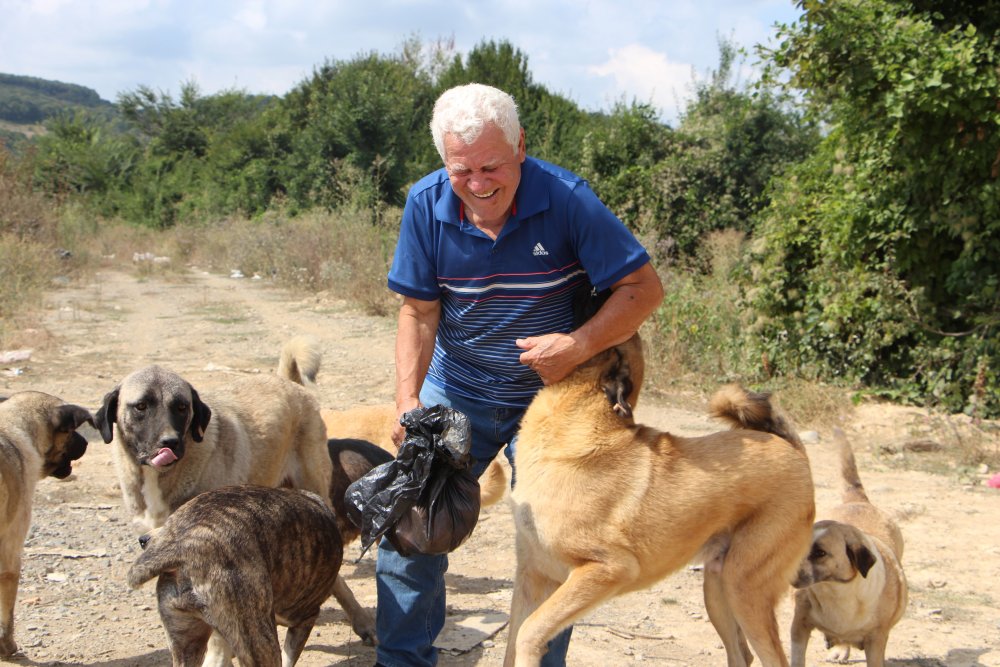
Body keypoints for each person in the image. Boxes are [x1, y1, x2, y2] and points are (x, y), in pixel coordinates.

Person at [376, 83, 664, 667]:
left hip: (556, 403)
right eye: (462, 170)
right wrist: (409, 400)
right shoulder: (425, 205)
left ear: (522, 147)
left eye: (491, 166)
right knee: (412, 526)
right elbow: (419, 311)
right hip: (459, 387)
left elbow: (644, 289)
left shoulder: (568, 201)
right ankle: (402, 661)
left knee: (554, 542)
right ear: (443, 162)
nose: (479, 183)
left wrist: (579, 343)